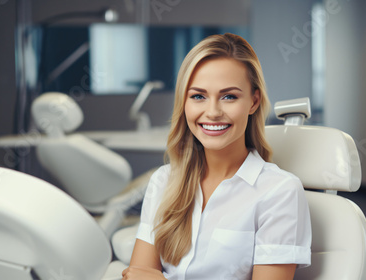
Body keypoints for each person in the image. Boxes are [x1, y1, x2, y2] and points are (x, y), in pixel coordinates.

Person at [122, 33, 311, 280]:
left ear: (253, 101)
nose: (212, 112)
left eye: (229, 96)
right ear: (184, 103)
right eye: (198, 96)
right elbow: (139, 274)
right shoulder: (164, 182)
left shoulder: (279, 192)